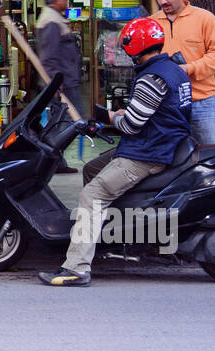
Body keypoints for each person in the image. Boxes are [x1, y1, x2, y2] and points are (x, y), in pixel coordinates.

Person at [42, 17, 192, 287]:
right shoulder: (173, 69)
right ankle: (98, 237)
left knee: (92, 195)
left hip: (147, 153)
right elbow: (154, 113)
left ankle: (76, 267)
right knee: (91, 169)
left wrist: (112, 117)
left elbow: (133, 126)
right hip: (159, 143)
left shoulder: (151, 78)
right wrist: (125, 114)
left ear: (135, 47)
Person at [149, 0, 215, 146]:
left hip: (202, 104)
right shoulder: (151, 23)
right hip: (167, 106)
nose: (162, 1)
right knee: (170, 161)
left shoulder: (204, 18)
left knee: (210, 158)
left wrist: (189, 69)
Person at [35, 0, 82, 172]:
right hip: (61, 84)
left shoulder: (55, 18)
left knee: (61, 123)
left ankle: (55, 162)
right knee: (66, 123)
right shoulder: (51, 22)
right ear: (55, 0)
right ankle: (50, 160)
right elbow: (49, 57)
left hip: (64, 81)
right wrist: (56, 83)